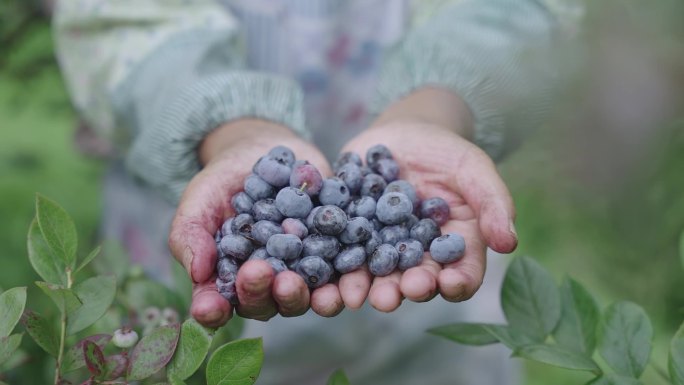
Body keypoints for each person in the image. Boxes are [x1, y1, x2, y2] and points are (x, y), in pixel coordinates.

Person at [53, 0, 581, 383]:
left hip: (431, 311)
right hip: (180, 263)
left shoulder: (404, 221)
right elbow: (116, 16)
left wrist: (435, 110)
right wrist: (228, 131)